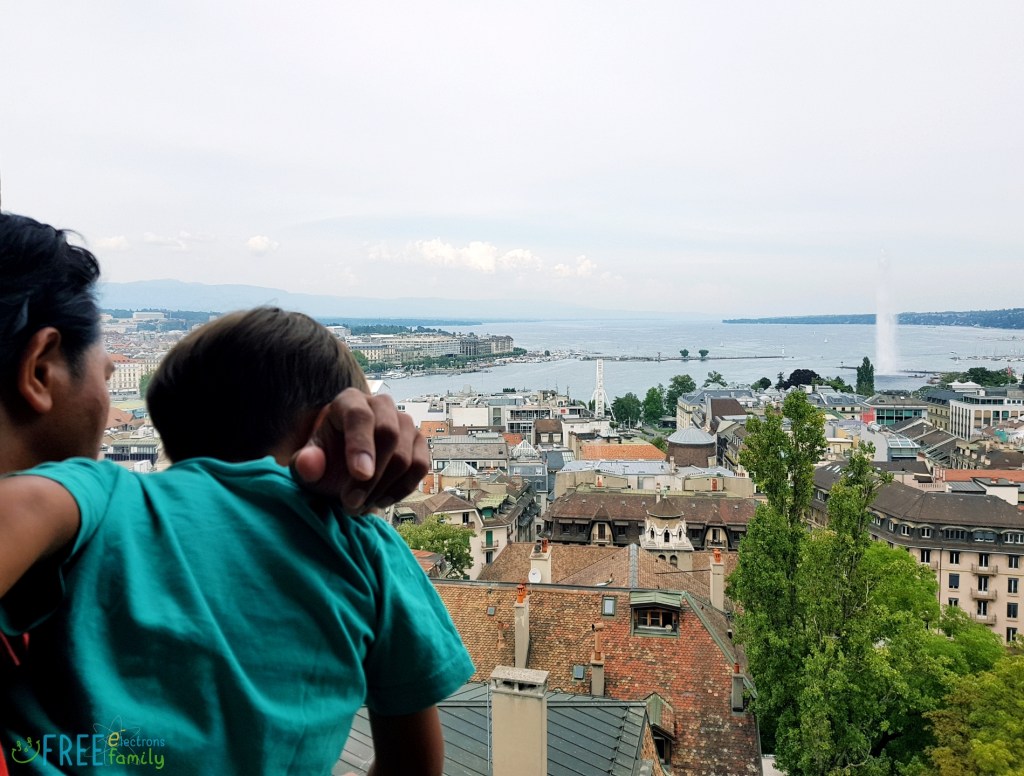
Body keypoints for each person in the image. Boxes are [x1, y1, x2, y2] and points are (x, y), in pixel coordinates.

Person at [0, 212, 434, 774]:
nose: (108, 413)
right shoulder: (369, 548)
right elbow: (415, 763)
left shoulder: (100, 502)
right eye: (108, 378)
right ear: (40, 370)